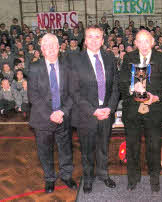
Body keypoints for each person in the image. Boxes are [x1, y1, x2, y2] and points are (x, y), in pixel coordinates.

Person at [119, 30, 162, 193]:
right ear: (135, 43)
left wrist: (156, 98)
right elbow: (121, 83)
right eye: (139, 41)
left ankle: (154, 180)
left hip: (155, 111)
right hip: (132, 111)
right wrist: (131, 88)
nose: (143, 45)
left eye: (146, 41)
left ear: (152, 42)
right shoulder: (128, 58)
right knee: (132, 147)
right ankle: (132, 179)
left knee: (154, 147)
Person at [69, 25, 119, 194]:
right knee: (87, 150)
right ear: (85, 39)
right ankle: (88, 178)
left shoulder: (110, 57)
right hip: (86, 115)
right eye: (90, 36)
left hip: (106, 113)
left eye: (98, 37)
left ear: (103, 40)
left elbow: (115, 86)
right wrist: (93, 110)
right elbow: (74, 91)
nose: (94, 40)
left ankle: (103, 175)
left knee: (103, 147)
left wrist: (110, 108)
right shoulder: (75, 59)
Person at [28, 33, 77, 194]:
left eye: (53, 45)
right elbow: (33, 95)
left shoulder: (67, 66)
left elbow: (72, 93)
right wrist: (50, 114)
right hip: (43, 119)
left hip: (63, 117)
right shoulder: (34, 68)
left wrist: (61, 112)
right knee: (44, 151)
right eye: (46, 46)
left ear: (59, 48)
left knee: (65, 148)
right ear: (41, 49)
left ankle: (66, 175)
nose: (50, 49)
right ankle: (49, 178)